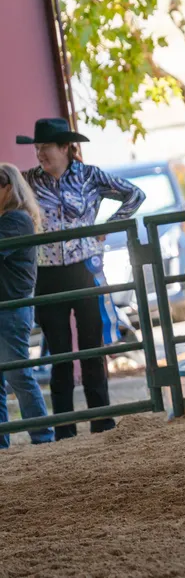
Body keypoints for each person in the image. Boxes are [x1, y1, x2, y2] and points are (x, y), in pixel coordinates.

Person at [18, 118, 144, 439]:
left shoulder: (90, 176)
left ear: (65, 148)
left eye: (45, 148)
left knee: (92, 346)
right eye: (36, 148)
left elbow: (134, 195)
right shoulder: (28, 181)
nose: (39, 154)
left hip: (85, 270)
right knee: (59, 353)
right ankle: (64, 428)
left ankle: (101, 420)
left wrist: (105, 228)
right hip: (46, 274)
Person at [0, 162, 55, 449]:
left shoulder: (15, 220)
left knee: (19, 374)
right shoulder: (11, 219)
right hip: (7, 306)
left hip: (11, 307)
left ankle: (43, 437)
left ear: (7, 187)